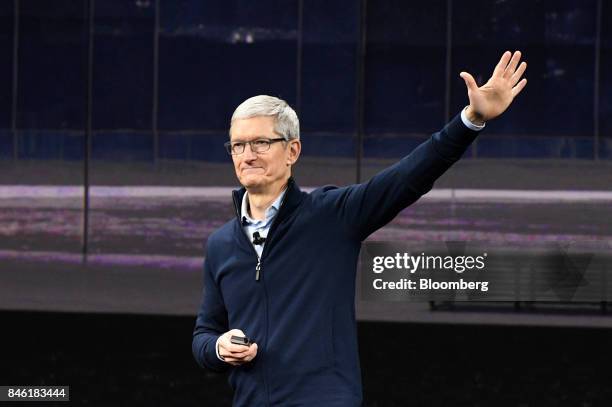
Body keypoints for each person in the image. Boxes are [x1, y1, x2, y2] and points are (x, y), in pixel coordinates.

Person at [192, 51, 527, 406]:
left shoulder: (331, 216)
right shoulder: (221, 244)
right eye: (239, 145)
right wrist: (217, 348)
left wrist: (471, 120)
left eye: (261, 142)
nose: (248, 154)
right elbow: (204, 334)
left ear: (292, 150)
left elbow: (410, 176)